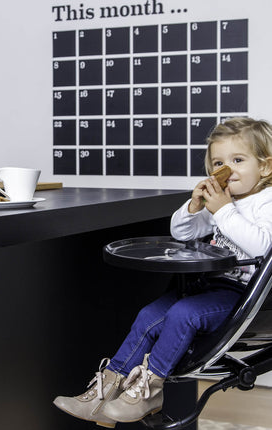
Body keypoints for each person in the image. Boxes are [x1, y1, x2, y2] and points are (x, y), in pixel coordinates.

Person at [53, 117, 272, 428]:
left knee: (184, 313)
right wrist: (195, 207)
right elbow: (182, 232)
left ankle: (149, 391)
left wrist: (223, 210)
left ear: (264, 167)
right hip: (210, 287)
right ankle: (106, 390)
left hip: (246, 296)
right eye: (219, 161)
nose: (228, 168)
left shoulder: (265, 201)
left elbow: (263, 245)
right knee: (148, 315)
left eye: (238, 160)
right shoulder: (224, 200)